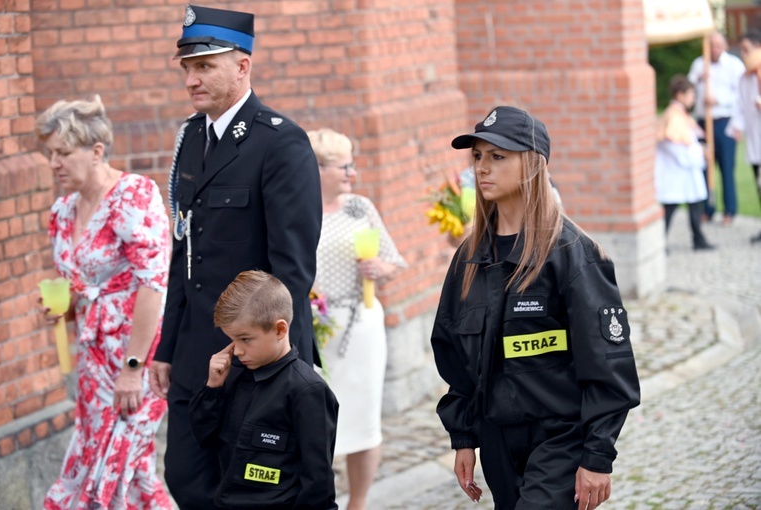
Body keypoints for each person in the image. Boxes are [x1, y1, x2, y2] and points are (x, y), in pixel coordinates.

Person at [149, 5, 323, 508]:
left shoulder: (280, 142)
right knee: (185, 479)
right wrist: (166, 347)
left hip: (254, 359)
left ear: (242, 66)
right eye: (186, 68)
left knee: (254, 493)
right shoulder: (191, 139)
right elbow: (185, 256)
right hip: (194, 359)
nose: (191, 80)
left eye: (204, 66)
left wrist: (271, 359)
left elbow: (291, 269)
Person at [430, 106, 641, 509]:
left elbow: (608, 365)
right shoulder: (469, 259)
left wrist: (597, 457)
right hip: (497, 439)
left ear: (532, 164)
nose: (482, 168)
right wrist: (464, 437)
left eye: (497, 156)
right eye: (477, 156)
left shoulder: (573, 255)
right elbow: (455, 354)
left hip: (560, 437)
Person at [36, 96, 172, 509]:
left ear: (96, 151)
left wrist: (133, 369)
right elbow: (80, 288)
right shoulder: (63, 211)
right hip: (93, 360)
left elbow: (154, 284)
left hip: (139, 357)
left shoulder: (133, 195)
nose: (55, 163)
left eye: (63, 152)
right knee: (127, 473)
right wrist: (66, 308)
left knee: (120, 464)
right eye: (50, 154)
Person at [306, 128, 407, 510]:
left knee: (363, 420)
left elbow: (394, 261)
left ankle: (358, 504)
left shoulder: (359, 208)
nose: (352, 174)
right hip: (310, 329)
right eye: (343, 166)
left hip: (359, 326)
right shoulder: (296, 209)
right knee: (314, 422)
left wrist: (379, 268)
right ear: (317, 170)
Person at [188, 270, 339, 509]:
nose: (236, 351)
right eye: (232, 340)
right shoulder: (232, 374)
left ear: (280, 330)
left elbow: (317, 479)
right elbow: (203, 435)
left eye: (245, 339)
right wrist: (213, 387)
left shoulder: (306, 390)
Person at [688, 31, 746, 225]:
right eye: (711, 45)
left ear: (725, 46)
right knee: (704, 167)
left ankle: (730, 210)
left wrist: (718, 100)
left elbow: (741, 95)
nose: (715, 49)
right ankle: (708, 209)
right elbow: (687, 91)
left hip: (724, 120)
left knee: (726, 168)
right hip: (704, 122)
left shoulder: (734, 66)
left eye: (719, 45)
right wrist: (698, 80)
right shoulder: (698, 64)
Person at [655, 75, 716, 251]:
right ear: (680, 95)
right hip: (677, 171)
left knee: (695, 203)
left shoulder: (680, 114)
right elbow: (676, 148)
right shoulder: (673, 116)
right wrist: (699, 156)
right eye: (691, 95)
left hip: (686, 171)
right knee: (671, 207)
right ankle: (659, 242)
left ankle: (698, 238)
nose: (693, 99)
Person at [727, 29, 761, 243]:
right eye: (741, 50)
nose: (743, 54)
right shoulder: (745, 79)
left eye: (746, 50)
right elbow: (740, 107)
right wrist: (737, 126)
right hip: (755, 143)